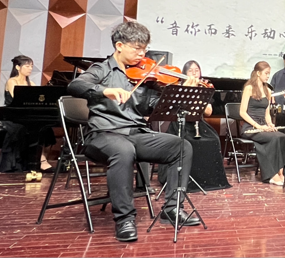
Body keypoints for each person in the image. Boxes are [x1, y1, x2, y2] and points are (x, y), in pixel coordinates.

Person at [67, 21, 198, 242]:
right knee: (123, 150)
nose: (142, 54)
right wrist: (105, 91)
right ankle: (124, 219)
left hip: (136, 134)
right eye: (137, 48)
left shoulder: (145, 76)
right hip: (103, 134)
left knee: (181, 146)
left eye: (144, 48)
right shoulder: (102, 69)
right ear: (119, 45)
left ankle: (173, 208)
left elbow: (154, 108)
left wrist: (181, 94)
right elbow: (75, 86)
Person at [159, 60, 230, 191]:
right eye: (190, 71)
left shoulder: (204, 89)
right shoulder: (178, 88)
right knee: (187, 143)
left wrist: (198, 97)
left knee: (213, 139)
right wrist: (187, 90)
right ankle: (182, 179)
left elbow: (208, 112)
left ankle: (207, 179)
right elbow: (173, 109)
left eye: (197, 71)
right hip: (180, 124)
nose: (194, 73)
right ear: (185, 73)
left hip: (198, 123)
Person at [0, 55, 56, 173]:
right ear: (17, 67)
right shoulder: (12, 81)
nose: (30, 68)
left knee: (46, 129)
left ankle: (40, 159)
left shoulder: (32, 84)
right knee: (23, 129)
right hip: (13, 117)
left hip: (28, 117)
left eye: (31, 66)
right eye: (27, 66)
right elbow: (18, 100)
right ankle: (38, 161)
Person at [239, 61, 285, 186]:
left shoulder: (267, 90)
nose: (268, 76)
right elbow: (242, 112)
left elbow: (267, 113)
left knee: (282, 137)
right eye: (266, 73)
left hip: (263, 126)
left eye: (269, 73)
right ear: (258, 73)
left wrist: (270, 124)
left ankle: (281, 173)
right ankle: (272, 175)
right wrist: (258, 126)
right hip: (250, 127)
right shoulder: (249, 88)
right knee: (274, 139)